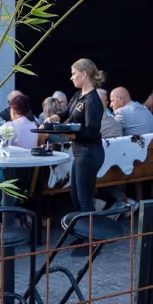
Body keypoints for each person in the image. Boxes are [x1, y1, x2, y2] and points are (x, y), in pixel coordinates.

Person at [46, 58, 107, 213]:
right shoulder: (77, 96)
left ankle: (91, 235)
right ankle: (87, 232)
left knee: (84, 200)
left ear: (84, 74)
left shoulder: (93, 100)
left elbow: (91, 132)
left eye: (74, 74)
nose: (71, 77)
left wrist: (67, 134)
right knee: (75, 196)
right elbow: (65, 113)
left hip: (89, 153)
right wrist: (53, 118)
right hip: (80, 153)